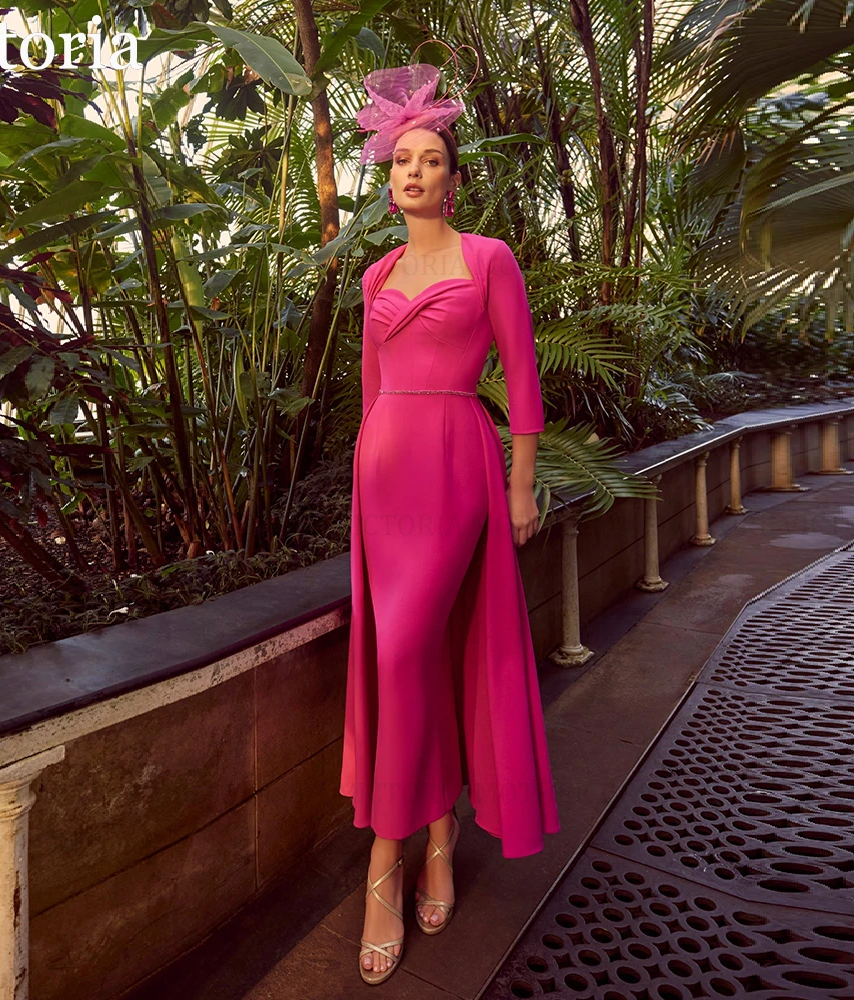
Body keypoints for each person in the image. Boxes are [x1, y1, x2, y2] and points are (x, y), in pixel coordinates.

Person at [339, 58, 561, 986]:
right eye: (402, 162)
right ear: (388, 180)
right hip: (383, 478)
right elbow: (370, 391)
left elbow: (521, 378)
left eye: (431, 160)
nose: (415, 173)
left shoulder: (489, 259)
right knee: (408, 658)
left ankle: (380, 867)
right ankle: (436, 837)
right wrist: (361, 474)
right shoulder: (376, 272)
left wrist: (519, 485)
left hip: (458, 468)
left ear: (455, 178)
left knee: (410, 653)